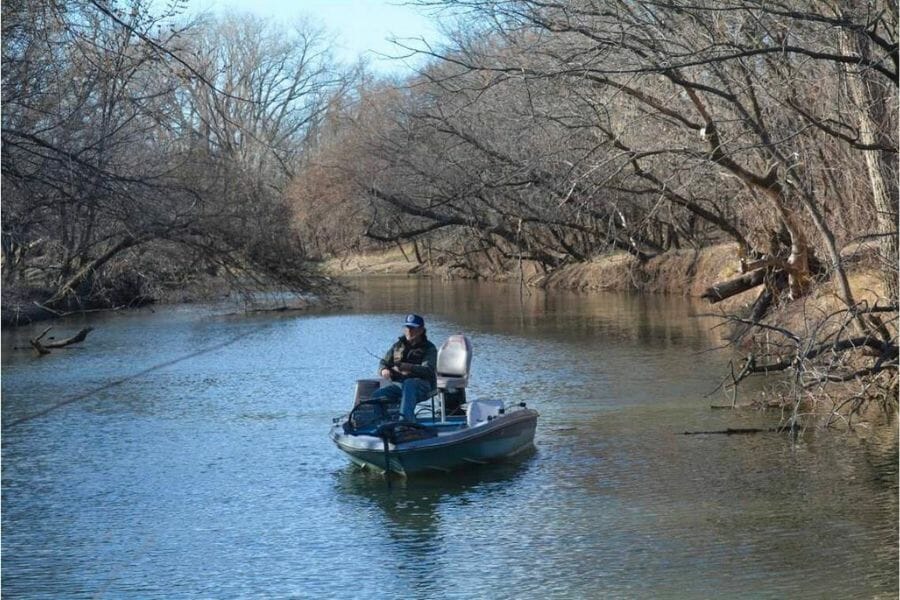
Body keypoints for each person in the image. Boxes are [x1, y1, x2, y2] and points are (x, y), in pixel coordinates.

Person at [371, 314, 437, 422]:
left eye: (412, 328)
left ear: (421, 330)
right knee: (377, 395)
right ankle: (383, 423)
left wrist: (409, 367)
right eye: (407, 328)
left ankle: (406, 423)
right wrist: (384, 370)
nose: (409, 331)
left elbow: (428, 370)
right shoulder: (397, 346)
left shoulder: (429, 348)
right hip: (401, 385)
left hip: (423, 386)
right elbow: (384, 362)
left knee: (409, 383)